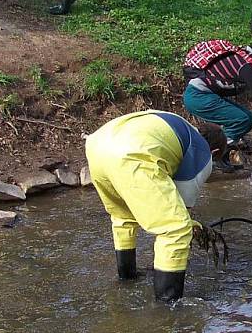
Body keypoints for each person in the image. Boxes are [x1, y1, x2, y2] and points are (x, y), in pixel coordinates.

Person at [85, 110, 227, 302]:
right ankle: (168, 305)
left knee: (124, 217)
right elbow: (181, 209)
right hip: (132, 154)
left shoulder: (180, 128)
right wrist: (192, 228)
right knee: (176, 229)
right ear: (215, 152)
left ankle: (127, 276)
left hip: (97, 146)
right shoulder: (202, 152)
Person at [182, 36, 252, 168]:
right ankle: (208, 159)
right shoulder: (246, 66)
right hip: (198, 96)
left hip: (202, 96)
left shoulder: (249, 61)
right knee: (242, 120)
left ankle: (219, 157)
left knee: (246, 117)